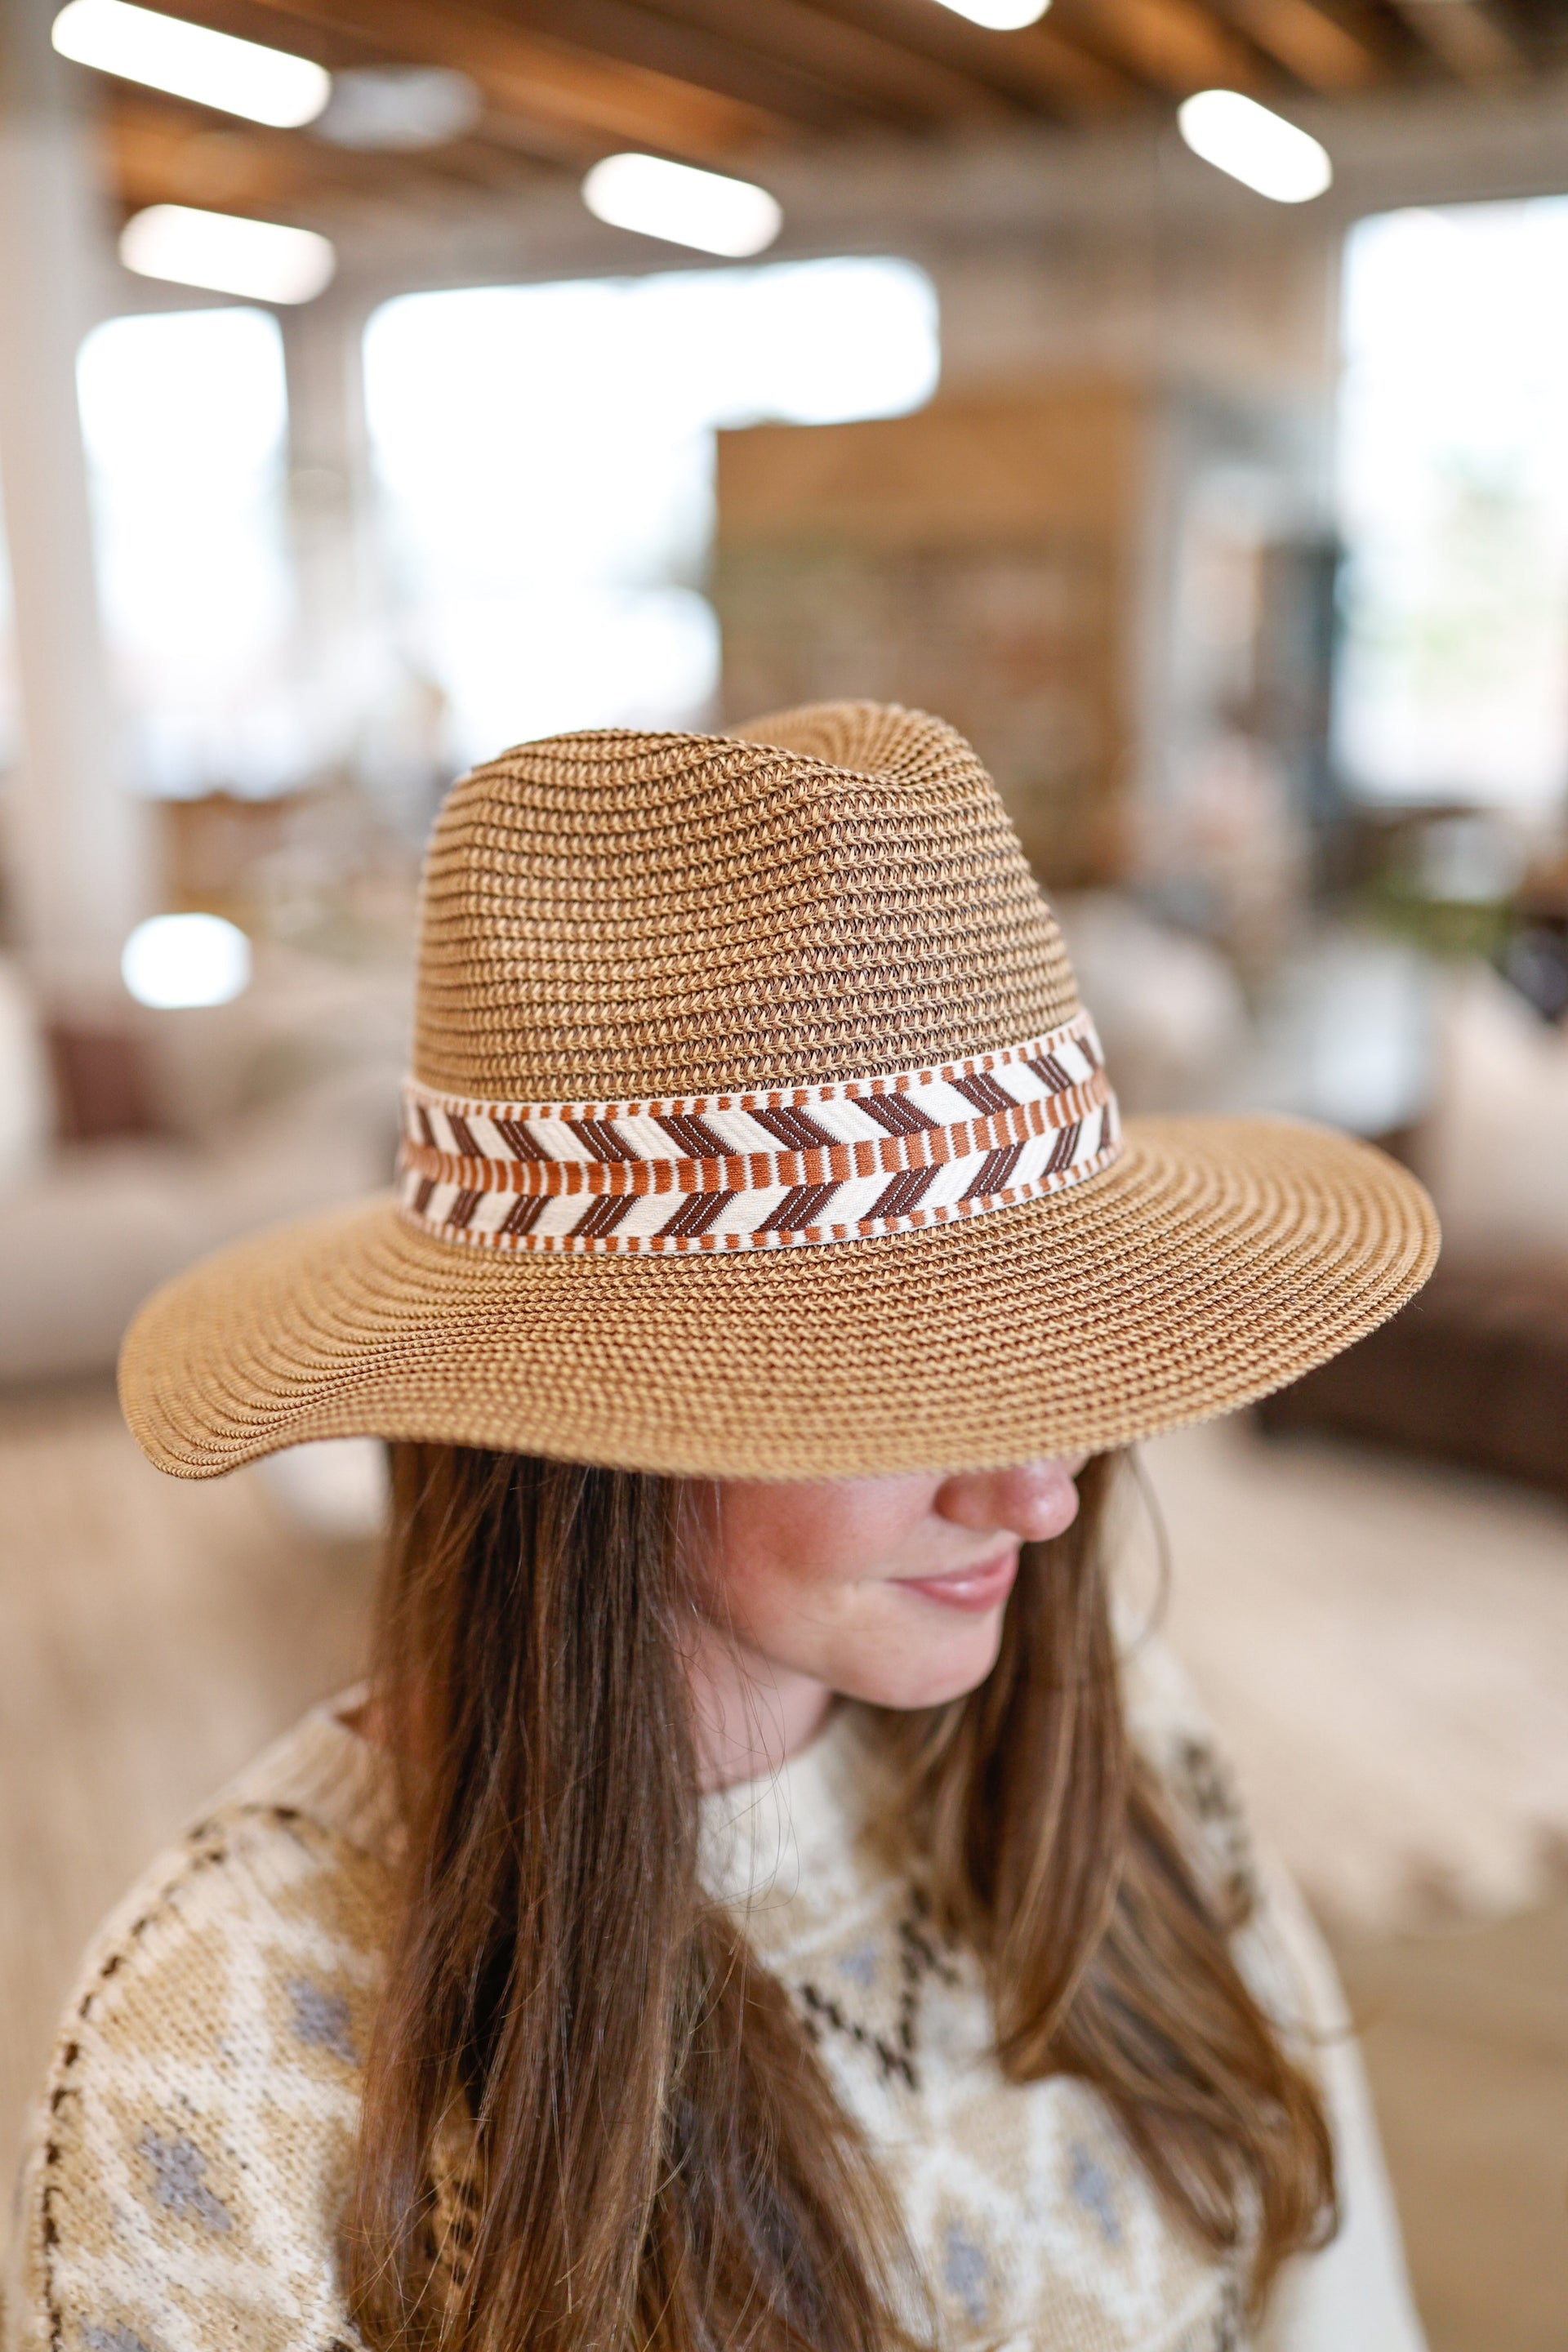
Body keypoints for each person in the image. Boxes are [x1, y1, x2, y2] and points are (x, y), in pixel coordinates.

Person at [5, 702, 1438, 2352]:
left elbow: (1338, 2294)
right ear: (591, 1429)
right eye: (914, 1389)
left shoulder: (1102, 1726)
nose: (1041, 1497)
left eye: (1054, 1358)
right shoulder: (217, 2069)